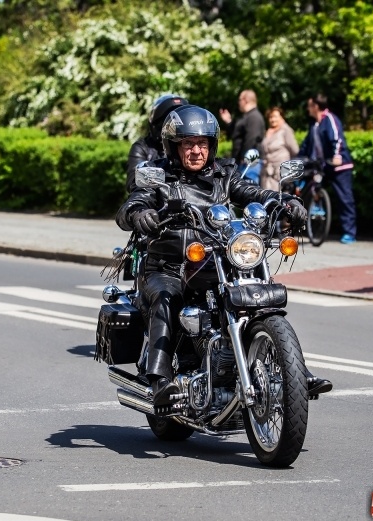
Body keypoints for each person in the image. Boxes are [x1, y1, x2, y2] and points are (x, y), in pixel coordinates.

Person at [116, 105, 332, 406]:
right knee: (168, 298)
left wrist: (285, 202)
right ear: (174, 146)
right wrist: (140, 214)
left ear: (211, 146)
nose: (195, 151)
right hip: (168, 267)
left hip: (215, 261)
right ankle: (160, 380)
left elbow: (254, 193)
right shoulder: (161, 178)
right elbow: (132, 205)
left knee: (254, 294)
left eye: (202, 144)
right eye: (188, 144)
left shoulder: (224, 175)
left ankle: (295, 372)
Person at [299, 93, 357, 244]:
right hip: (323, 165)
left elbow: (337, 138)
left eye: (309, 105)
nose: (307, 108)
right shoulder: (314, 124)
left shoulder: (330, 119)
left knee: (344, 199)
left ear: (316, 106)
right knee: (312, 186)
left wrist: (337, 156)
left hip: (339, 165)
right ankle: (316, 212)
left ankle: (349, 233)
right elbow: (307, 145)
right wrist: (297, 158)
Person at [126, 94, 189, 192]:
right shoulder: (143, 147)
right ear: (158, 126)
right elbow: (134, 182)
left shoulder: (191, 147)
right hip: (157, 202)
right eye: (168, 124)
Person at [219, 89, 266, 183]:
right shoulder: (247, 116)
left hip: (250, 163)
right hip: (244, 162)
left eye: (239, 100)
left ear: (245, 100)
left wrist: (245, 157)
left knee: (250, 192)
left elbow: (252, 139)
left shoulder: (254, 117)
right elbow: (238, 135)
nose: (238, 103)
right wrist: (229, 122)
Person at [260, 107, 299, 191]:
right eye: (270, 117)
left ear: (281, 117)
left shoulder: (286, 130)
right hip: (267, 173)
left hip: (280, 173)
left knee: (280, 200)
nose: (272, 119)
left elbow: (295, 151)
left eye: (275, 116)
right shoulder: (268, 131)